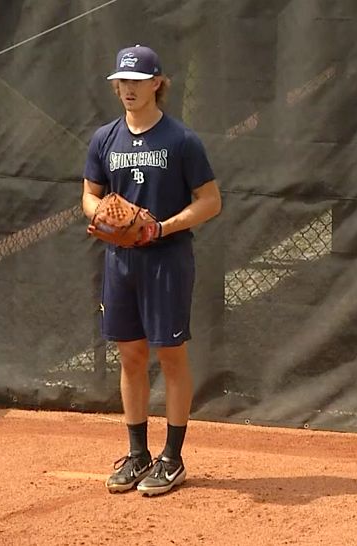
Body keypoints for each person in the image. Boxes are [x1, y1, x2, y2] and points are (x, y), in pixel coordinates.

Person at [82, 44, 221, 496]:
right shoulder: (105, 138)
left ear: (157, 84)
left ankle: (173, 458)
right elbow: (88, 195)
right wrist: (106, 215)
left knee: (171, 355)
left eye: (138, 82)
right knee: (131, 356)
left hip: (166, 259)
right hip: (120, 262)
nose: (127, 89)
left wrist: (160, 227)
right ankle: (139, 454)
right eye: (121, 82)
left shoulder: (181, 140)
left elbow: (210, 201)